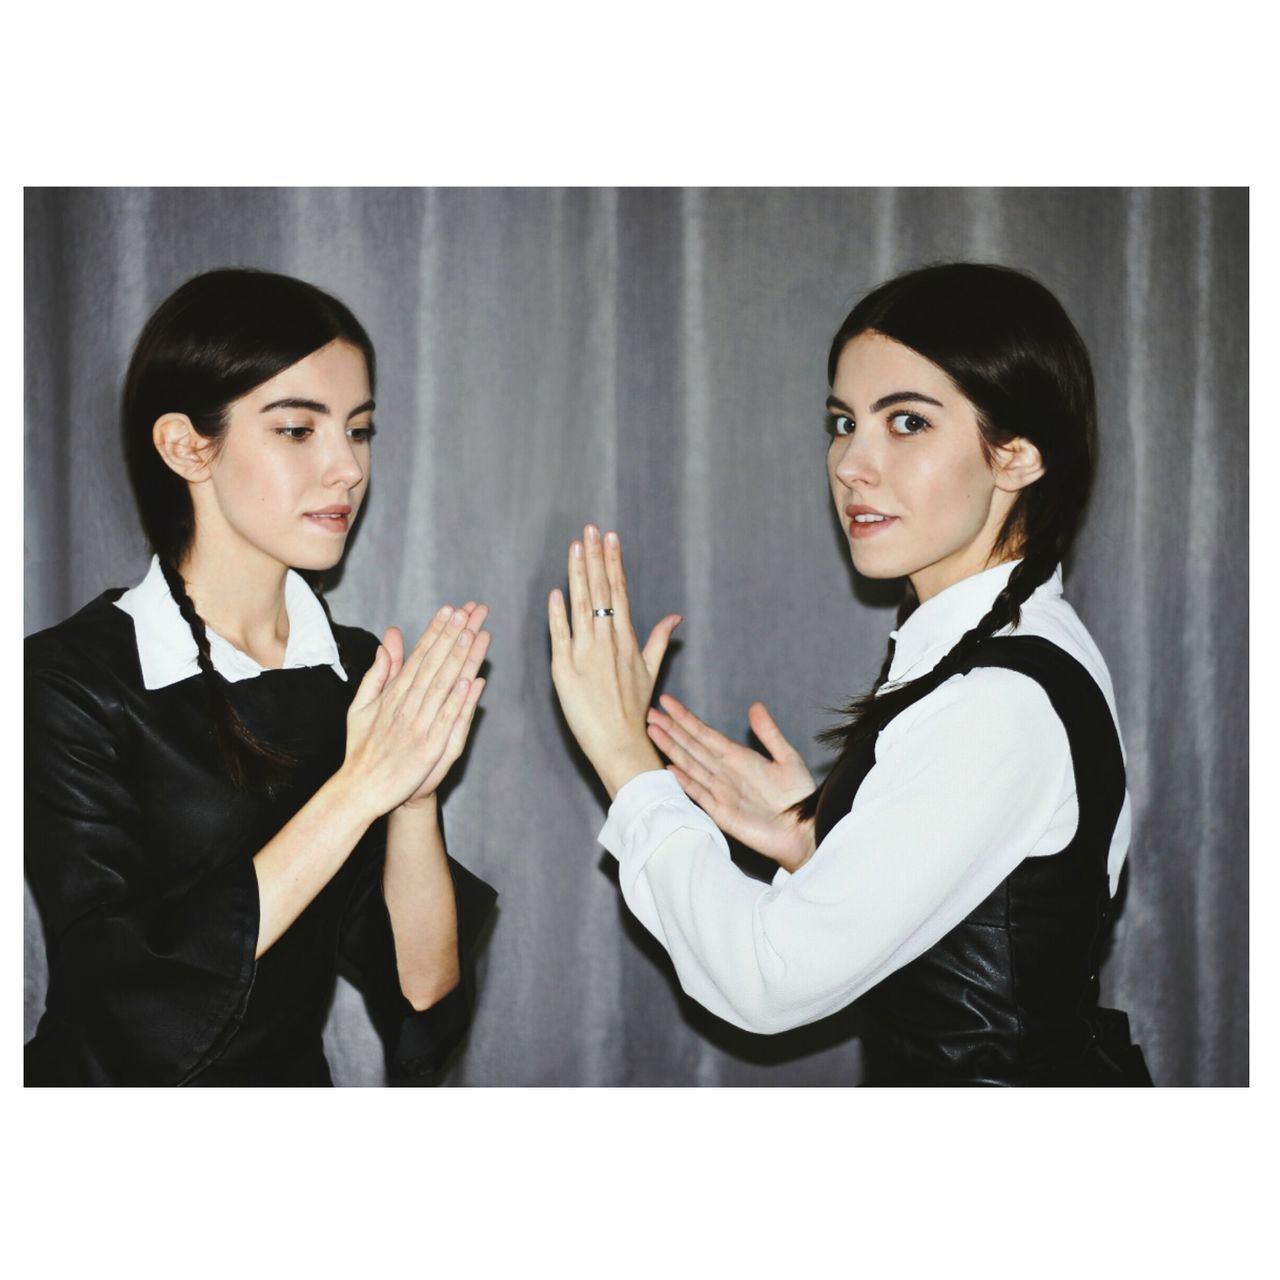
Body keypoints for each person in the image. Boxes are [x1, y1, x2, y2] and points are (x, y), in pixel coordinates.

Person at [548, 262, 1151, 1085]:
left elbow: (764, 981)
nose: (851, 465)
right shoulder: (1007, 646)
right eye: (843, 422)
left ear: (1017, 455)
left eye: (907, 423)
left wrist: (627, 766)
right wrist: (820, 842)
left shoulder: (998, 703)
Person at [25, 268, 497, 1086]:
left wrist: (412, 795)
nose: (347, 468)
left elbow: (423, 991)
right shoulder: (71, 682)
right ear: (184, 446)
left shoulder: (352, 671)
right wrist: (357, 790)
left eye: (359, 430)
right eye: (296, 430)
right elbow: (121, 999)